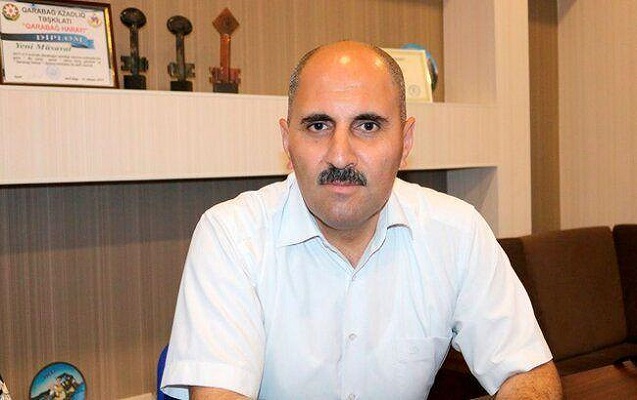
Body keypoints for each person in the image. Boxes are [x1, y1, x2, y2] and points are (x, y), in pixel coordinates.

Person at [161, 40, 562, 400]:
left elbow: (529, 374)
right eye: (318, 125)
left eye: (367, 126)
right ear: (287, 141)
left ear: (405, 142)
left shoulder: (458, 232)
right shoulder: (230, 237)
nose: (340, 155)